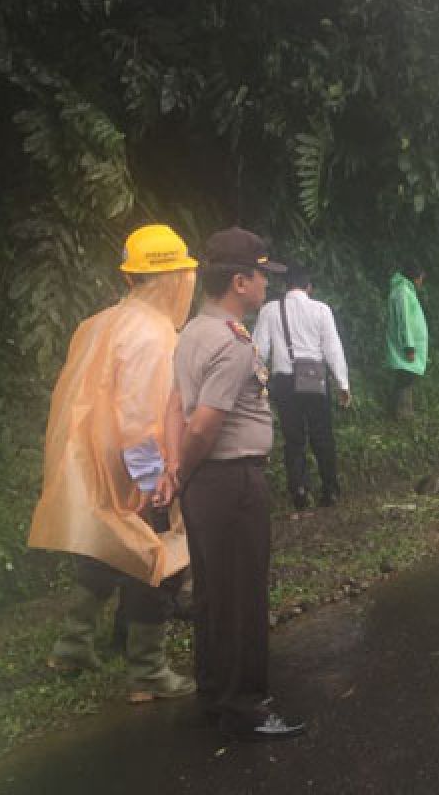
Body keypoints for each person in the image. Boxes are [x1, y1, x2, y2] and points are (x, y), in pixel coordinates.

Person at [28, 224, 198, 704]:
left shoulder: (99, 322)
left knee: (105, 546)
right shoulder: (154, 334)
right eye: (185, 273)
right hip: (135, 462)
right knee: (157, 559)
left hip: (92, 458)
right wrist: (153, 478)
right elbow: (141, 414)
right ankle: (147, 670)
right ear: (172, 279)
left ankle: (72, 644)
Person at [172, 227, 305, 740]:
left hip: (208, 483)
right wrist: (184, 470)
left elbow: (175, 408)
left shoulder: (192, 332)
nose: (266, 287)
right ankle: (246, 706)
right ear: (239, 281)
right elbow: (205, 424)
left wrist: (182, 477)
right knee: (242, 596)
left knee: (213, 593)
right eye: (261, 277)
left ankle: (214, 692)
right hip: (231, 480)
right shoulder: (230, 343)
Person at [252, 264, 351, 512]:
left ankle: (299, 491)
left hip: (284, 379)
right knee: (322, 435)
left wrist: (257, 380)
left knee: (293, 438)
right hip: (313, 375)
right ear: (309, 287)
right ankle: (330, 490)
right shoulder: (321, 310)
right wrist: (343, 383)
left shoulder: (270, 310)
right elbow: (332, 348)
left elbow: (259, 351)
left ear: (286, 286)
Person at [384, 262, 428, 419]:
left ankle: (402, 410)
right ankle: (401, 412)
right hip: (406, 345)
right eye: (421, 279)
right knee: (405, 377)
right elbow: (404, 321)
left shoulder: (404, 291)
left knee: (406, 376)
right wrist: (409, 346)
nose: (421, 282)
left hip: (406, 343)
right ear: (414, 278)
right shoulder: (402, 292)